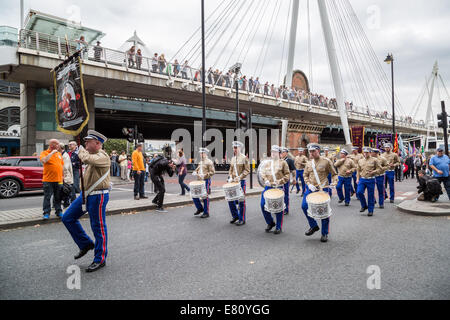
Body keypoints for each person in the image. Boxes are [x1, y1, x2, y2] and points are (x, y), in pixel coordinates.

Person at [62, 130, 111, 273]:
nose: (85, 143)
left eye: (88, 141)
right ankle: (85, 244)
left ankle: (100, 259)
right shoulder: (92, 155)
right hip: (86, 195)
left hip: (98, 196)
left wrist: (79, 150)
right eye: (85, 141)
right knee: (67, 217)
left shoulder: (103, 156)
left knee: (98, 227)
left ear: (98, 143)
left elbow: (88, 159)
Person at [302, 144, 337, 243]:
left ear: (318, 151)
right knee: (304, 206)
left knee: (324, 211)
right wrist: (308, 184)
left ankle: (324, 233)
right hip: (311, 189)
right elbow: (305, 175)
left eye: (313, 151)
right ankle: (313, 226)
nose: (311, 153)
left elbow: (334, 174)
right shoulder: (309, 163)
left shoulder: (326, 161)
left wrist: (334, 183)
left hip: (323, 189)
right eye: (310, 151)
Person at [260, 146, 290, 234]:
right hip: (268, 187)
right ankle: (270, 222)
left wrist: (280, 181)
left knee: (278, 207)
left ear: (279, 153)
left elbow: (287, 175)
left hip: (279, 187)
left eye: (275, 152)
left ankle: (278, 227)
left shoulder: (283, 163)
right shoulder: (268, 163)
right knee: (262, 204)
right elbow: (263, 173)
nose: (273, 153)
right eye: (272, 151)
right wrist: (265, 180)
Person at [40, 139, 64, 219]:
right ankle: (46, 213)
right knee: (47, 197)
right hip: (48, 180)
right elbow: (44, 160)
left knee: (58, 197)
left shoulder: (59, 154)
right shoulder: (44, 153)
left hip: (59, 180)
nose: (59, 146)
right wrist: (52, 153)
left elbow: (61, 166)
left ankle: (59, 211)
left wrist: (63, 177)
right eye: (57, 144)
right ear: (52, 145)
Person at [227, 141, 250, 226]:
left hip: (241, 181)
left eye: (236, 147)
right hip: (233, 182)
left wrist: (239, 177)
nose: (235, 149)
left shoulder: (244, 158)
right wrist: (229, 176)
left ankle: (242, 219)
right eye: (234, 148)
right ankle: (235, 216)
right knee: (230, 199)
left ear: (240, 148)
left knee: (241, 201)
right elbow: (231, 169)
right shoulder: (233, 158)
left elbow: (247, 170)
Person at [357, 147, 382, 216]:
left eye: (367, 152)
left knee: (370, 195)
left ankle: (370, 210)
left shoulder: (375, 160)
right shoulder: (360, 160)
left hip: (371, 179)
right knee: (359, 192)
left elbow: (380, 169)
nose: (365, 154)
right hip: (362, 179)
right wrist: (357, 179)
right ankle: (364, 205)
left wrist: (373, 171)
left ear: (370, 153)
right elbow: (358, 170)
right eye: (364, 152)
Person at [192, 148, 215, 218]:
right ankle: (200, 208)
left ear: (205, 154)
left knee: (205, 196)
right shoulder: (200, 162)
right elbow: (198, 169)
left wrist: (205, 175)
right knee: (194, 195)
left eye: (202, 153)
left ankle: (206, 212)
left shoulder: (209, 162)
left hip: (206, 180)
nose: (201, 154)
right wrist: (195, 172)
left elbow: (212, 172)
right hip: (199, 180)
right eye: (200, 153)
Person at [280, 147, 296, 215]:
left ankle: (286, 209)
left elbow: (293, 170)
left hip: (286, 179)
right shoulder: (279, 160)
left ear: (286, 153)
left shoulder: (289, 160)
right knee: (279, 194)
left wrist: (294, 178)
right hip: (279, 180)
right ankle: (279, 208)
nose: (282, 153)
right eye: (281, 152)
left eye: (283, 152)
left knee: (285, 194)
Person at [59, 143, 75, 208]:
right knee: (65, 192)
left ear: (60, 148)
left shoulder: (65, 156)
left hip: (65, 177)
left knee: (66, 192)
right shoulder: (61, 154)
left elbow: (65, 167)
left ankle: (68, 206)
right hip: (63, 177)